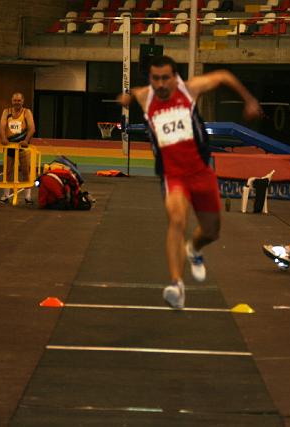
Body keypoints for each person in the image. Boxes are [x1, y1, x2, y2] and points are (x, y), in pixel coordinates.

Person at [119, 55, 262, 308]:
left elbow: (224, 76)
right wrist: (127, 98)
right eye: (156, 79)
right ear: (150, 79)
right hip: (172, 175)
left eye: (166, 78)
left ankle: (194, 250)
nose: (161, 84)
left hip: (200, 172)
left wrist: (249, 100)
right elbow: (132, 94)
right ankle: (176, 285)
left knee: (211, 231)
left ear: (175, 77)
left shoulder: (190, 89)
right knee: (176, 219)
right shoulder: (145, 96)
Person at [0, 92, 36, 204]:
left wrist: (26, 140)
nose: (17, 102)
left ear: (23, 101)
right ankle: (6, 195)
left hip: (22, 147)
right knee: (8, 171)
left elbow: (32, 128)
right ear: (12, 101)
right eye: (15, 100)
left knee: (25, 171)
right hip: (10, 146)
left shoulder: (26, 112)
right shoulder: (6, 112)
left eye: (19, 100)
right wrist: (4, 138)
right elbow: (1, 126)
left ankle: (28, 197)